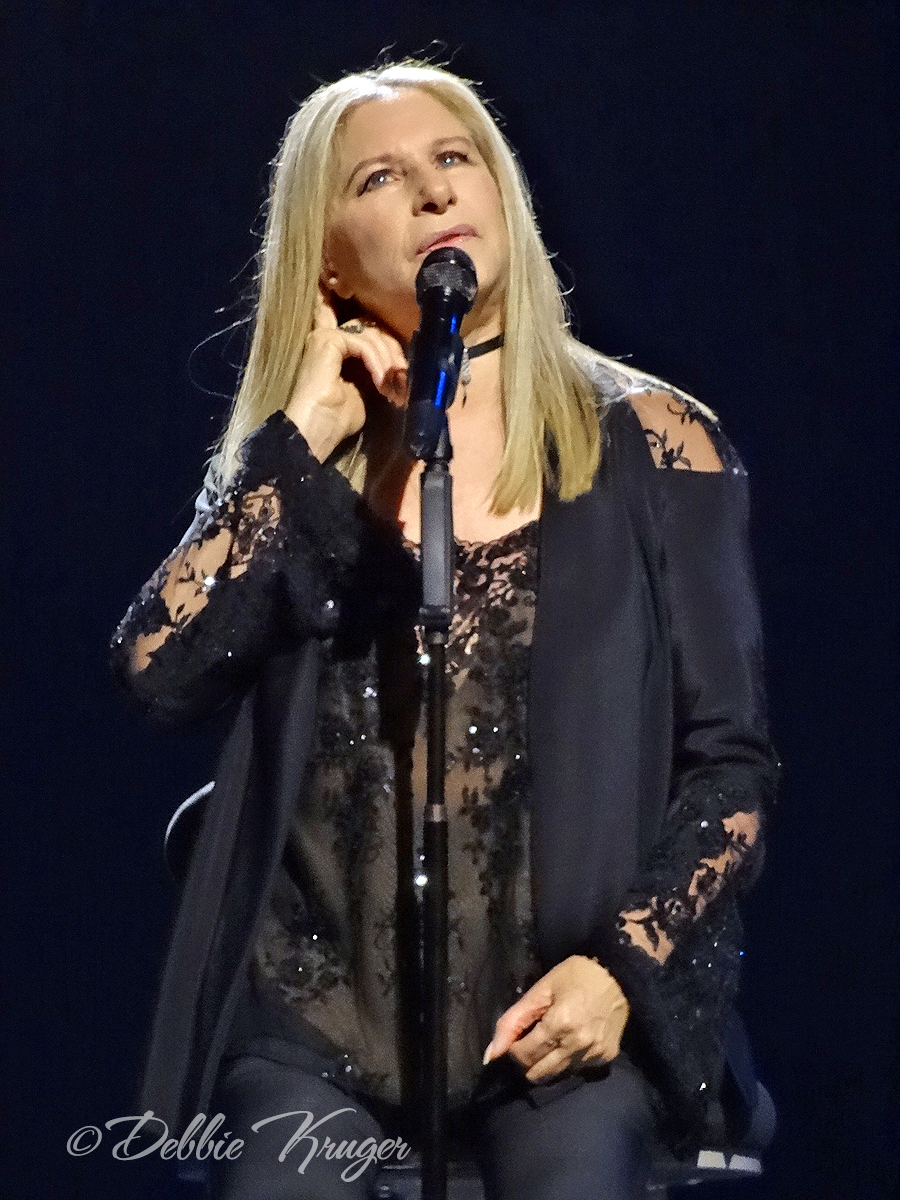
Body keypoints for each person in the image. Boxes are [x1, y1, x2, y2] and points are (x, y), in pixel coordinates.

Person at [109, 59, 781, 1200]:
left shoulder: (659, 441)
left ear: (500, 194)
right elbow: (155, 674)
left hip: (556, 1008)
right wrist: (300, 441)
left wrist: (620, 973)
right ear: (328, 259)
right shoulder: (298, 468)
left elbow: (731, 766)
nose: (431, 192)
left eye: (454, 157)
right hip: (318, 1022)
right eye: (379, 177)